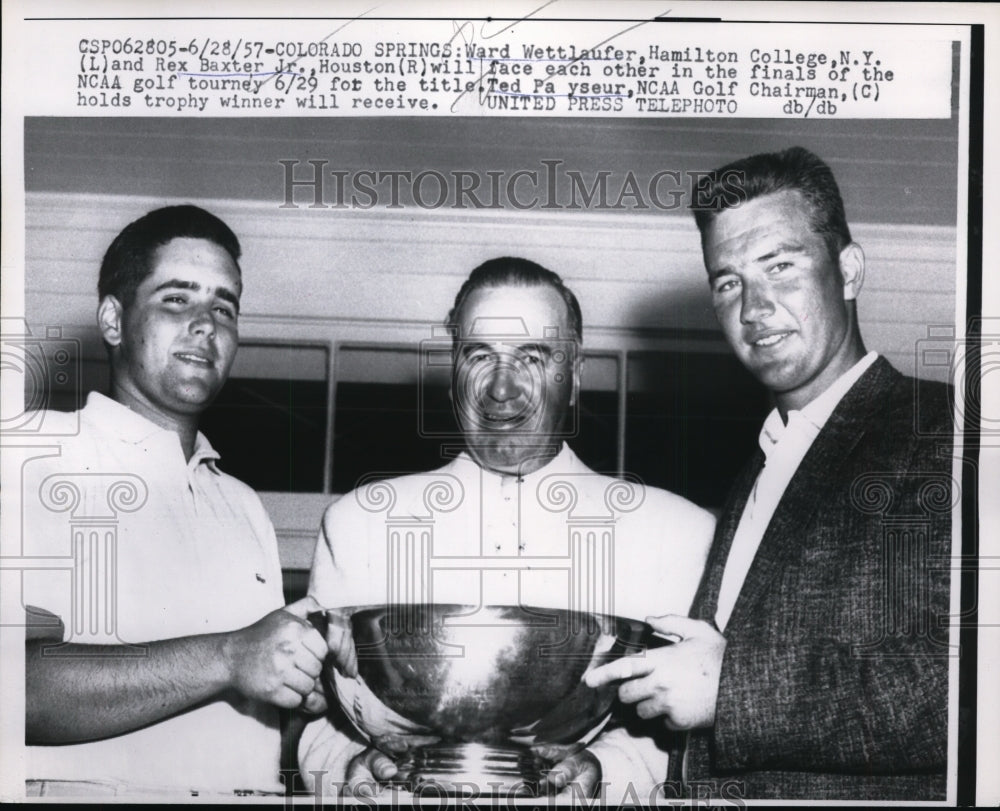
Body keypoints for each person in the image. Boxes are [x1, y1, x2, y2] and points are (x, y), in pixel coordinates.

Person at [586, 147, 954, 800]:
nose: (753, 307)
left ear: (847, 269)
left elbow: (974, 683)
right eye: (727, 282)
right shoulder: (760, 465)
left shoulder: (944, 430)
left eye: (780, 266)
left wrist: (733, 687)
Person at [299, 257, 716, 800]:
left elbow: (694, 730)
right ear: (454, 371)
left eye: (533, 356)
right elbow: (318, 713)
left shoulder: (674, 533)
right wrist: (352, 771)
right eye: (479, 355)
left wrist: (606, 773)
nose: (502, 389)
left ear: (575, 375)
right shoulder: (358, 523)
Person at [22, 205, 339, 797]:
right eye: (176, 298)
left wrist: (306, 699)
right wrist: (229, 658)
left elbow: (250, 734)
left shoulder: (243, 506)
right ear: (113, 321)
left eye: (224, 306)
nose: (206, 324)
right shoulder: (33, 458)